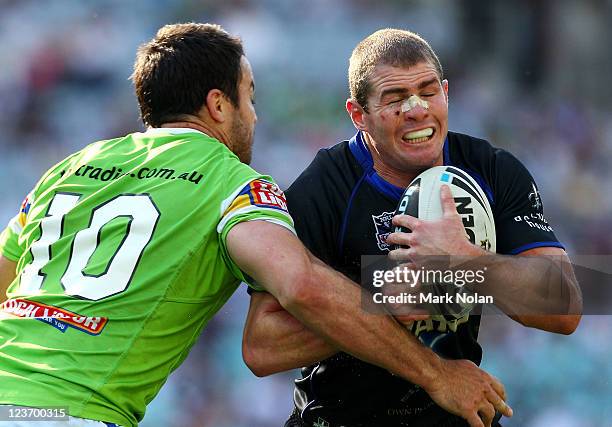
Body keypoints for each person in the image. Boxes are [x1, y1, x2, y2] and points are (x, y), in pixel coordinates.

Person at [0, 23, 514, 427]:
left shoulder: (71, 166)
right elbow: (302, 288)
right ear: (218, 105)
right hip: (73, 413)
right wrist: (435, 370)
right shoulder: (233, 182)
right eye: (250, 95)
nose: (256, 115)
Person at [242, 29, 582, 427]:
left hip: (458, 408)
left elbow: (565, 306)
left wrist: (463, 261)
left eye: (428, 91)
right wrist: (381, 298)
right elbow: (261, 347)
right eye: (395, 99)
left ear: (446, 92)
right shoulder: (321, 190)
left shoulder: (491, 169)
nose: (417, 109)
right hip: (339, 417)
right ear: (358, 115)